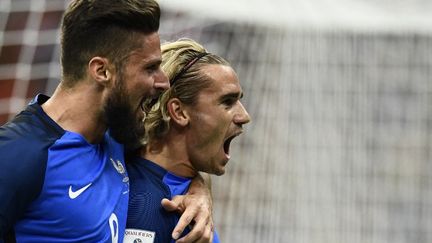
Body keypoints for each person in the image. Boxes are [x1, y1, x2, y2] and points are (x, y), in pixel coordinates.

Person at [0, 1, 213, 242]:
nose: (163, 82)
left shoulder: (118, 136)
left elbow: (175, 162)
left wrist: (198, 191)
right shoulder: (20, 155)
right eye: (150, 68)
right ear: (102, 71)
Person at [124, 39, 251, 243]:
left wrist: (199, 185)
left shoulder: (183, 188)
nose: (244, 116)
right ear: (179, 112)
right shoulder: (153, 207)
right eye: (227, 102)